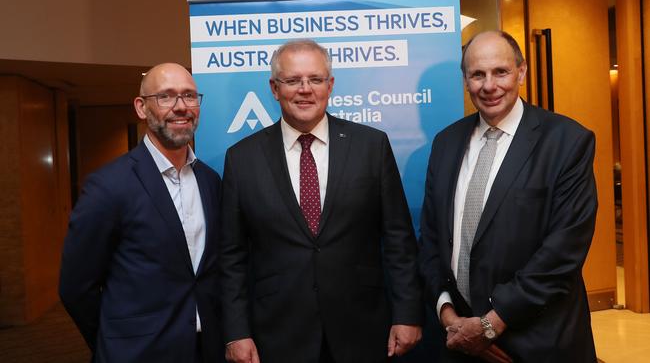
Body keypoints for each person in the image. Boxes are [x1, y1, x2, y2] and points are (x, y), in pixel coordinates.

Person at [220, 39, 423, 363]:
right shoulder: (242, 158)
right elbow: (231, 257)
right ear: (274, 88)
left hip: (363, 329)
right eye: (292, 80)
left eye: (315, 79)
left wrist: (408, 313)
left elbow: (398, 239)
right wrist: (235, 331)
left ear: (330, 85)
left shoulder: (371, 146)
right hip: (277, 333)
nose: (305, 89)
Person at [418, 30, 598, 362]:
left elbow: (562, 252)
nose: (489, 86)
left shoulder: (567, 142)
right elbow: (431, 240)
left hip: (538, 342)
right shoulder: (446, 144)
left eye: (500, 71)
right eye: (477, 74)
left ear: (521, 72)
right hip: (460, 341)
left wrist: (490, 325)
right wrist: (448, 316)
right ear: (465, 80)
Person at [59, 63, 224, 362]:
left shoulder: (211, 181)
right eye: (166, 97)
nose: (181, 107)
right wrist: (115, 341)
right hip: (138, 353)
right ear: (141, 107)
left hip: (208, 349)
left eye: (189, 96)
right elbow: (75, 287)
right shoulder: (108, 186)